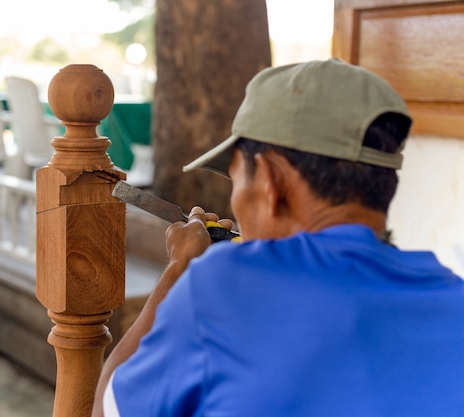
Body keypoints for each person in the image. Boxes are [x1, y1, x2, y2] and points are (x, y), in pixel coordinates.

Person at [92, 59, 464, 417]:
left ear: (270, 180)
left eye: (236, 179)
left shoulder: (220, 289)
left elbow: (108, 410)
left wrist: (179, 268)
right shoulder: (452, 298)